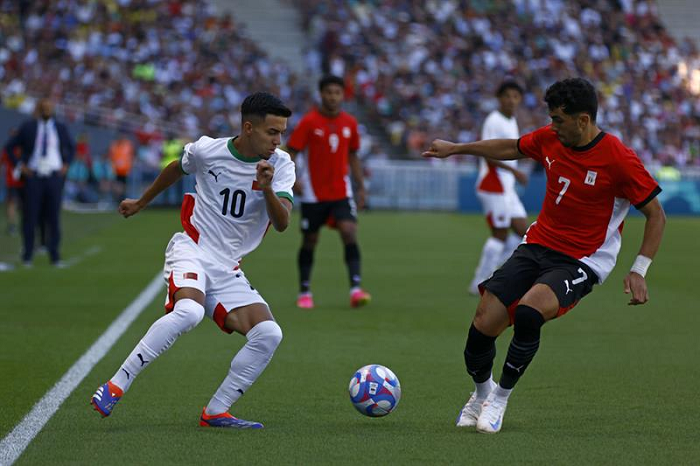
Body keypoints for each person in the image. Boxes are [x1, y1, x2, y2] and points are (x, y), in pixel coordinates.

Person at [422, 78, 666, 434]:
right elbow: (511, 147)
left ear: (583, 120)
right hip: (536, 244)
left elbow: (656, 214)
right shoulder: (553, 138)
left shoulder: (619, 159)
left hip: (583, 259)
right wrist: (457, 148)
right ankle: (481, 394)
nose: (552, 126)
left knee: (528, 312)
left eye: (558, 119)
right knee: (482, 324)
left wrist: (639, 269)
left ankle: (501, 400)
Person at [90, 92, 295, 429]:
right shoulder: (207, 150)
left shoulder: (282, 165)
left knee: (269, 334)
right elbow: (175, 168)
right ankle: (116, 384)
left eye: (281, 133)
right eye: (272, 132)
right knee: (189, 312)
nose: (278, 140)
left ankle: (216, 411)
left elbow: (283, 223)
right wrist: (141, 203)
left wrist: (267, 188)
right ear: (248, 128)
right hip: (193, 250)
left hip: (228, 268)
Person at [286, 75, 371, 309]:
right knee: (310, 240)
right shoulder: (309, 122)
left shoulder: (350, 123)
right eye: (329, 92)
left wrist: (361, 187)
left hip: (341, 192)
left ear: (342, 95)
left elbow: (353, 156)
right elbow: (291, 152)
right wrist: (292, 180)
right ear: (321, 94)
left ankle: (356, 289)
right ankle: (304, 291)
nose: (333, 97)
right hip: (314, 193)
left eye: (337, 92)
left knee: (349, 231)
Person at [469, 80, 530, 295]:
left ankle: (491, 273)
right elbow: (487, 153)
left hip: (506, 187)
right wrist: (514, 171)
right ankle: (479, 283)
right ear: (499, 98)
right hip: (493, 183)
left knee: (525, 233)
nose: (512, 100)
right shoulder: (494, 121)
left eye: (516, 96)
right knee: (500, 234)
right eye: (507, 96)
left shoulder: (511, 121)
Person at [5, 98, 75, 266]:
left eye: (49, 108)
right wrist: (20, 166)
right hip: (34, 175)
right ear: (39, 109)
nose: (46, 110)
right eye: (43, 108)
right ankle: (28, 255)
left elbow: (72, 147)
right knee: (30, 216)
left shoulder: (60, 127)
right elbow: (8, 147)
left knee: (53, 217)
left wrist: (66, 165)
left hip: (53, 175)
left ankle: (54, 256)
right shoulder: (29, 126)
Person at [1, 128, 23, 236]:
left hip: (16, 181)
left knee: (12, 204)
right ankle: (14, 225)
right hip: (16, 181)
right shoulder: (19, 148)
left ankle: (13, 226)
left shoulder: (11, 148)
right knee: (12, 204)